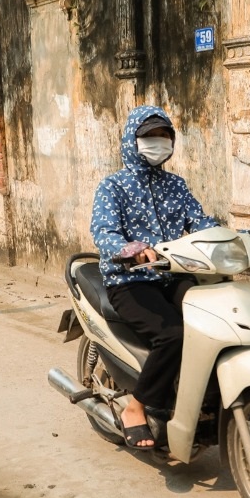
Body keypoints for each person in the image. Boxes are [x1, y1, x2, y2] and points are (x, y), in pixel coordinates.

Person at [90, 105, 219, 449]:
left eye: (164, 136)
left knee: (213, 324)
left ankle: (203, 399)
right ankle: (137, 407)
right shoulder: (113, 187)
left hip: (173, 275)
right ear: (134, 140)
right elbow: (104, 233)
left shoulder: (176, 185)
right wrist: (131, 248)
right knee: (173, 335)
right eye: (150, 136)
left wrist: (242, 236)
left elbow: (201, 223)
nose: (158, 142)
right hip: (129, 281)